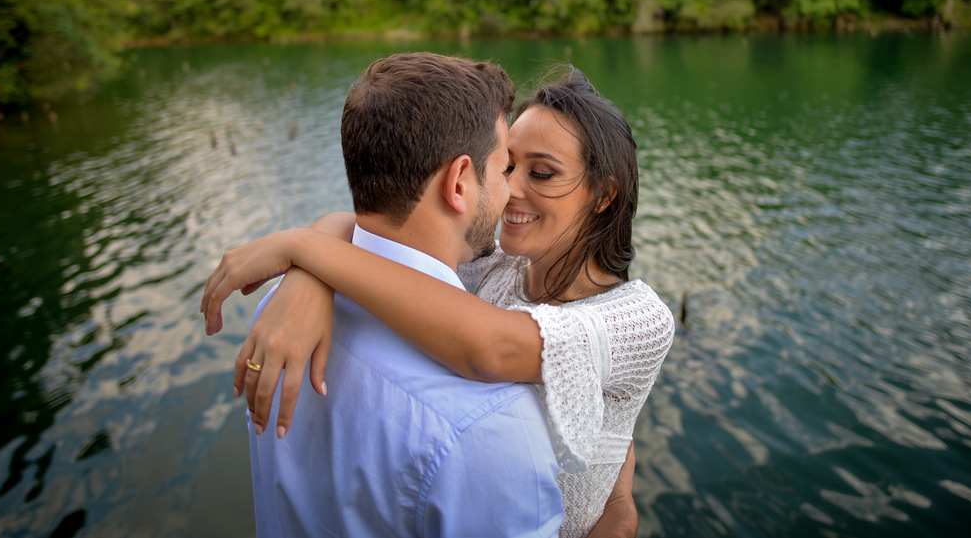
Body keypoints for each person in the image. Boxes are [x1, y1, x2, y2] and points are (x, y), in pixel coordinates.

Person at [203, 64, 676, 538]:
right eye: (507, 164)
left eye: (543, 174)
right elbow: (387, 232)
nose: (511, 188)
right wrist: (309, 278)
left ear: (604, 195)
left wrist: (303, 250)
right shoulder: (495, 268)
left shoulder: (638, 319)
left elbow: (489, 347)